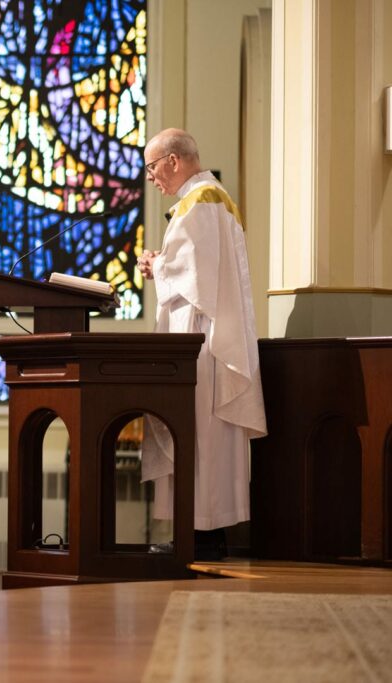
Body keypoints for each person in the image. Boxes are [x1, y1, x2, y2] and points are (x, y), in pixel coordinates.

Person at [136, 128, 267, 560]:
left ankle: (201, 537)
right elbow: (200, 270)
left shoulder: (201, 201)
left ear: (174, 160)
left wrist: (158, 263)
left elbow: (195, 279)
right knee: (204, 441)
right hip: (208, 337)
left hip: (203, 343)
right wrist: (165, 265)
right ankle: (203, 534)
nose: (151, 177)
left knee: (201, 439)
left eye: (153, 167)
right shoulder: (212, 199)